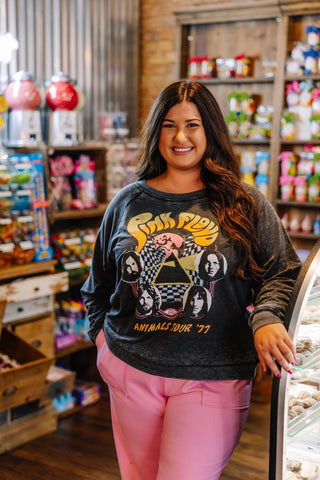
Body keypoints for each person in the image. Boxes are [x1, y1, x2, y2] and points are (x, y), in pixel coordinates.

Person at [81, 80, 301, 480]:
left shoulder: (244, 201)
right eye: (168, 125)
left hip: (212, 375)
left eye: (192, 124)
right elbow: (97, 282)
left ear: (210, 130)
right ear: (156, 133)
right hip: (131, 366)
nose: (180, 136)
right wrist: (103, 344)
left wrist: (266, 316)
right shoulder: (127, 200)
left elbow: (282, 269)